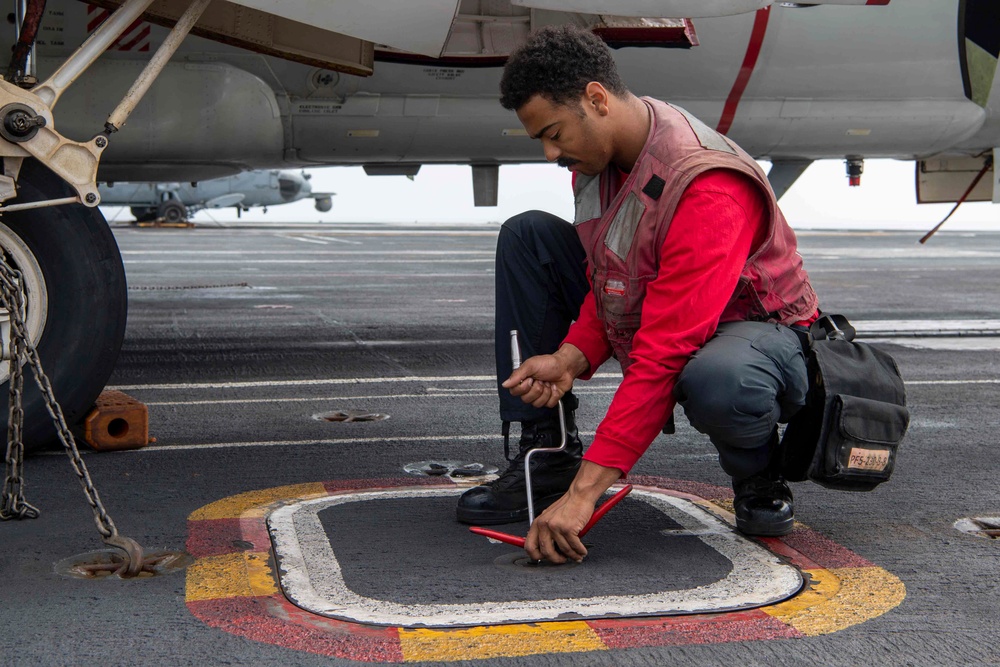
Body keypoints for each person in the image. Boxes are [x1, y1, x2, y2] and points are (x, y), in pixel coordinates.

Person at [455, 25, 820, 564]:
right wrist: (567, 358)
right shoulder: (599, 160)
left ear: (596, 99)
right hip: (678, 311)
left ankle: (758, 473)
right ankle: (549, 449)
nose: (551, 153)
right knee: (528, 235)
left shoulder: (705, 186)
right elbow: (614, 278)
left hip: (759, 336)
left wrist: (583, 497)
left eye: (555, 133)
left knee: (720, 378)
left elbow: (666, 349)